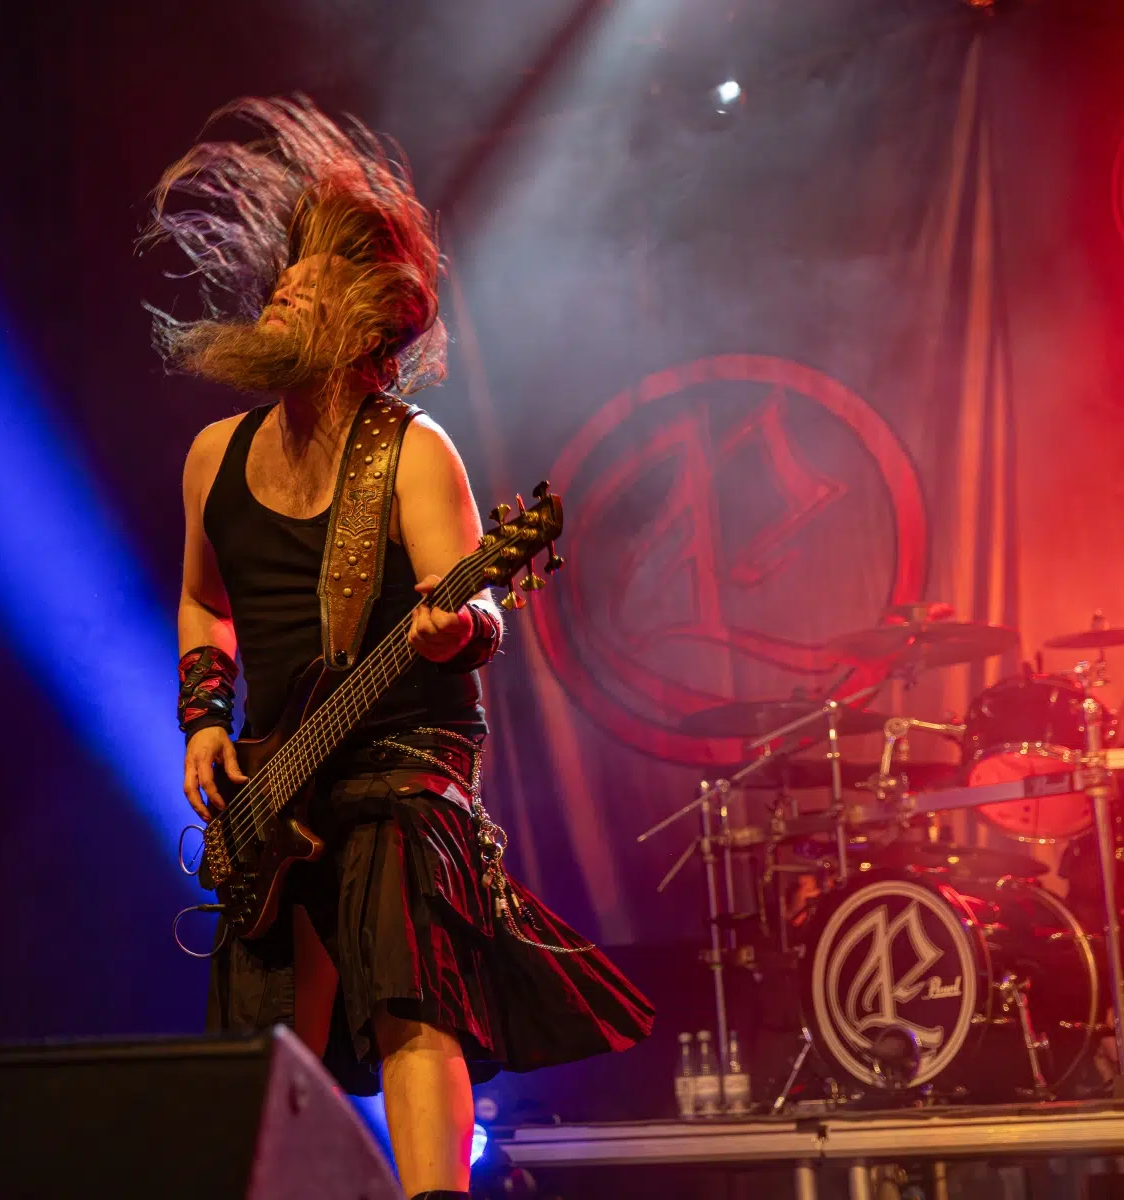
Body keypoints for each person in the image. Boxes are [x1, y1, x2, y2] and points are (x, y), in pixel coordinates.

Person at [147, 96, 652, 1200]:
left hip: (402, 757)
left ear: (368, 317)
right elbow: (200, 602)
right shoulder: (211, 456)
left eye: (316, 273)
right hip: (277, 771)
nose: (286, 283)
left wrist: (457, 624)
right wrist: (201, 721)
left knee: (408, 981)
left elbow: (485, 613)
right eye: (288, 265)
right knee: (266, 1044)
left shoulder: (417, 454)